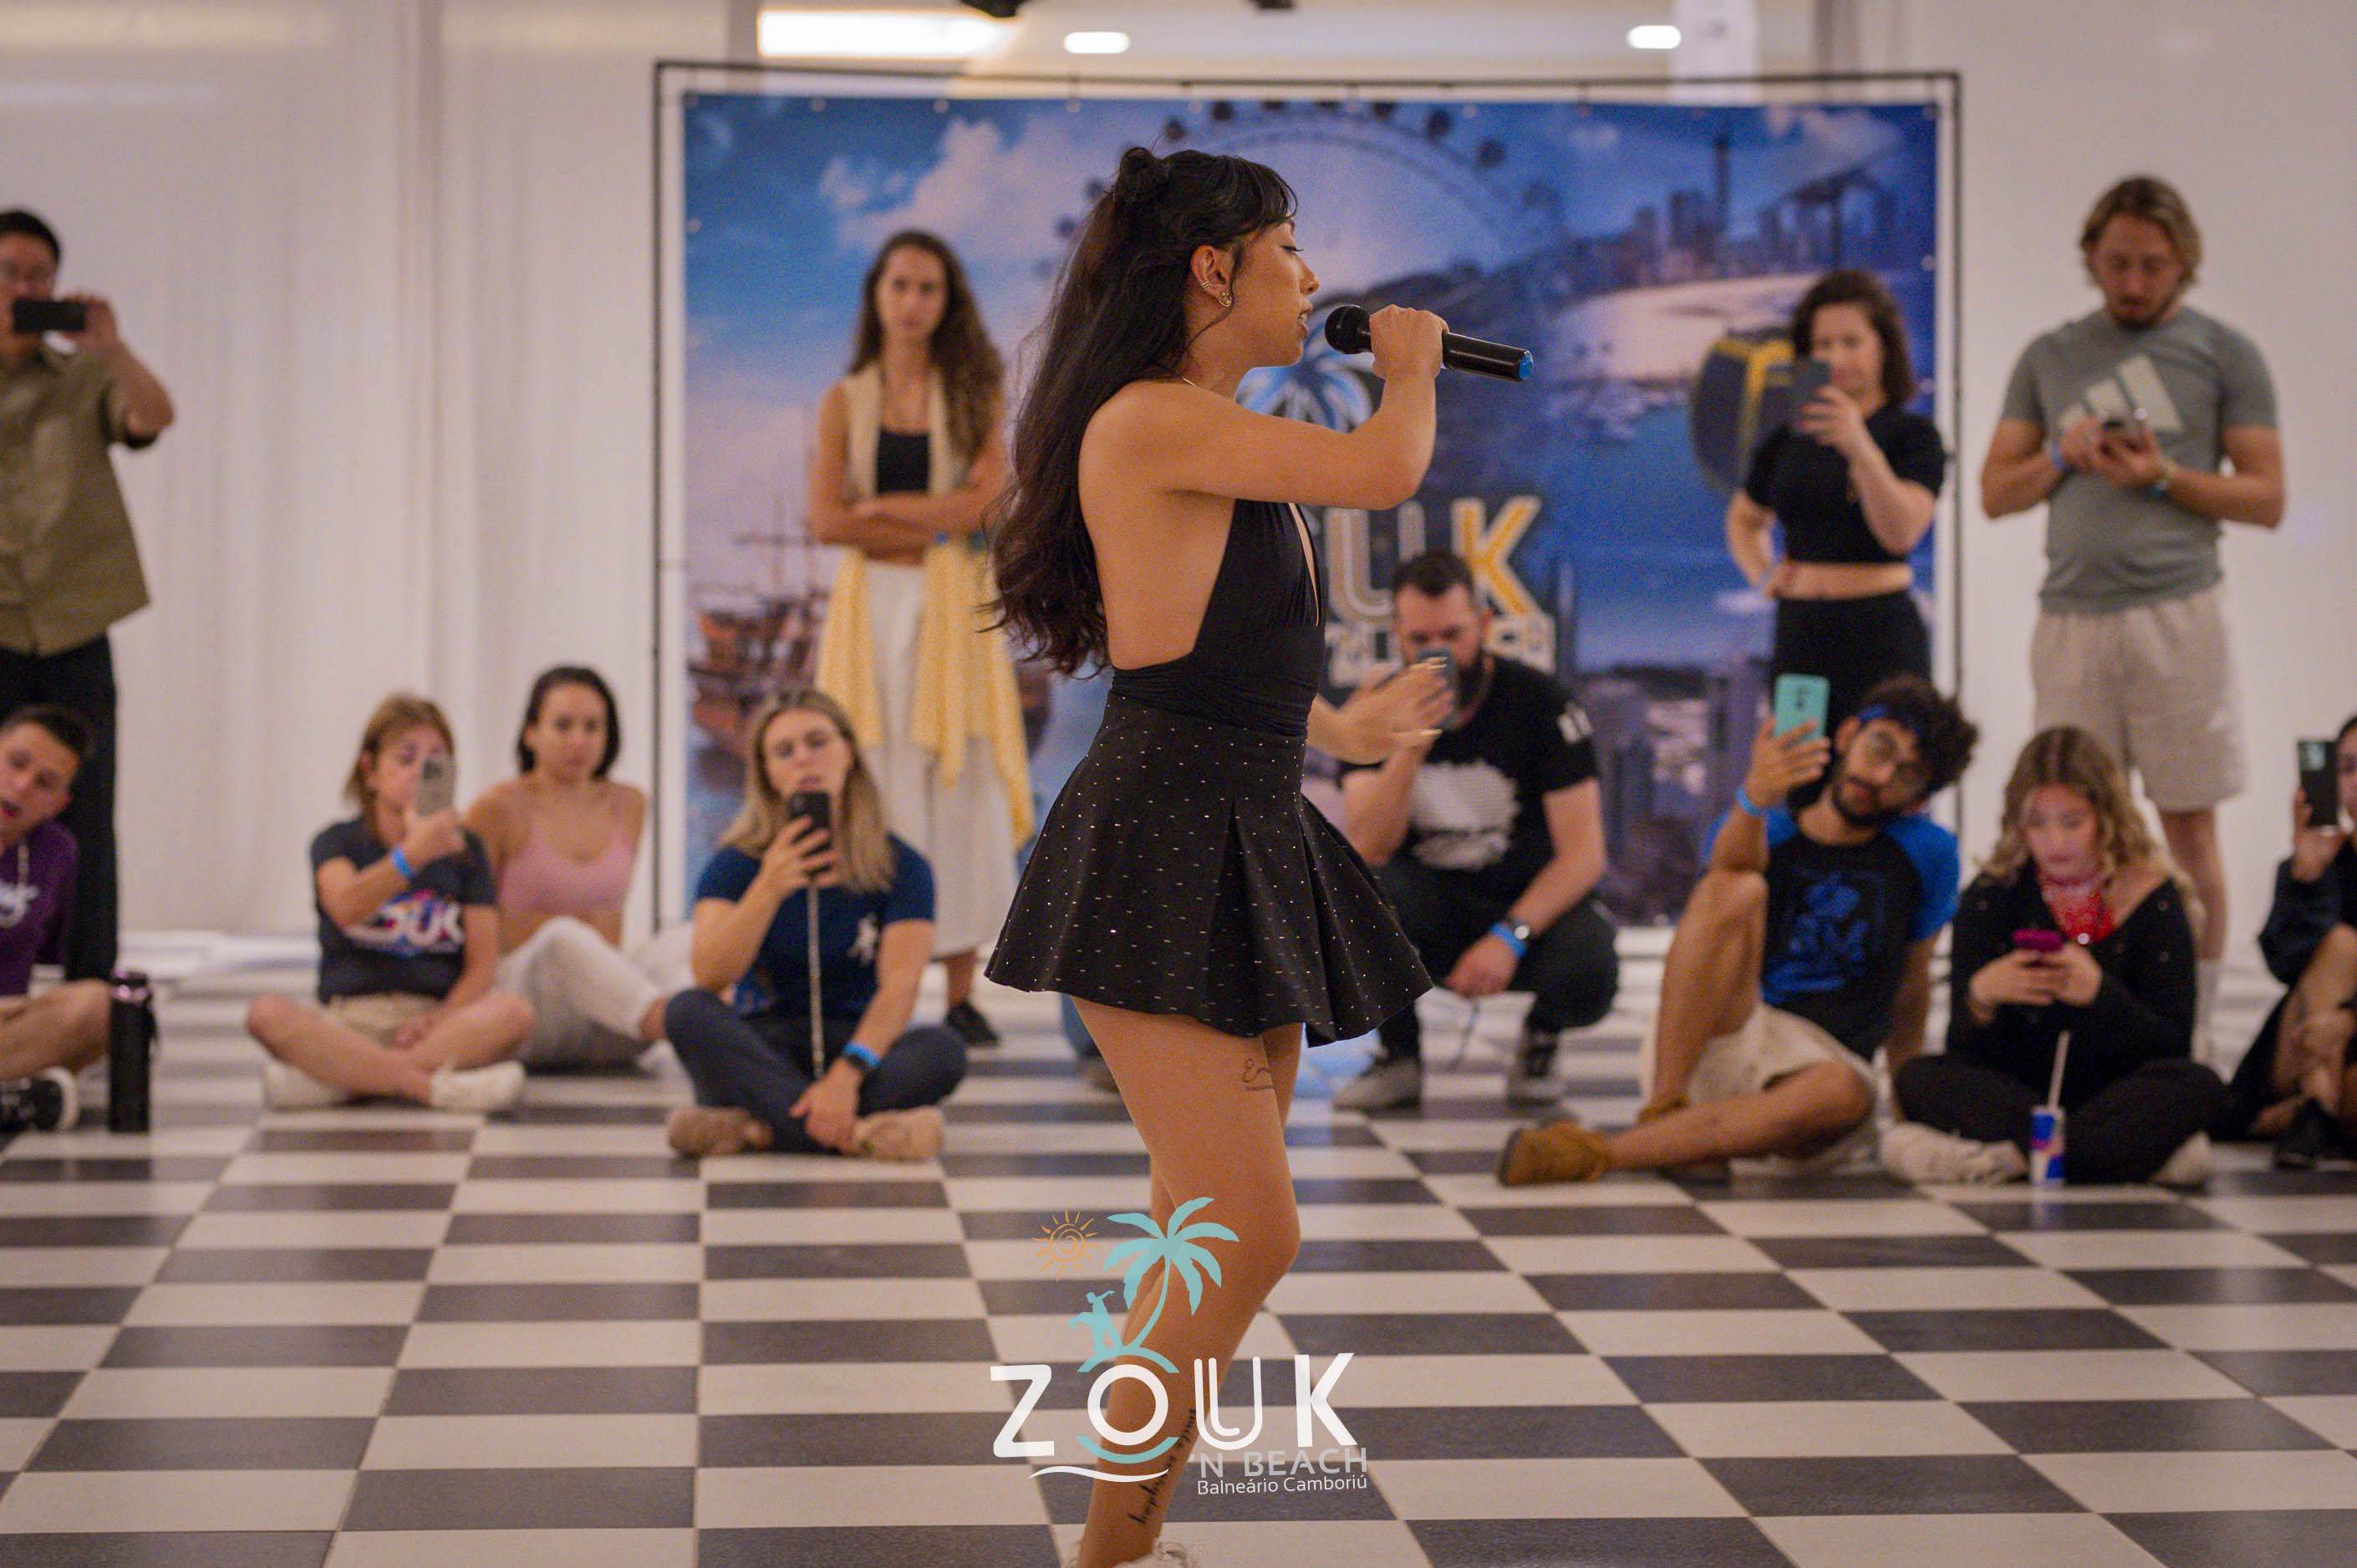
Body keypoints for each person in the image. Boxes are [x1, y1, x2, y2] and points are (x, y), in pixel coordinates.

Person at [986, 145, 1450, 1568]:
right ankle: (1111, 1554)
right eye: (1288, 248)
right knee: (1247, 1228)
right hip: (1163, 835)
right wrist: (1413, 369)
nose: (1310, 278)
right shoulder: (1150, 419)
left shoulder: (1210, 434)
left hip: (1237, 823)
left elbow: (1210, 664)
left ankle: (1121, 1547)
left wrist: (1337, 727)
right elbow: (1387, 463)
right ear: (1212, 269)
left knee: (1203, 1225)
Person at [1979, 176, 2287, 1058]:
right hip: (2072, 617)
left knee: (2188, 828)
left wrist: (2162, 476)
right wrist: (2061, 456)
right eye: (2117, 262)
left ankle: (2188, 1032)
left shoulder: (2225, 353)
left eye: (2153, 264)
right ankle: (2086, 1024)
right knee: (2070, 824)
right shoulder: (2049, 356)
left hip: (2179, 612)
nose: (2134, 281)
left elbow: (2267, 497)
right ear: (2090, 258)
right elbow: (1996, 492)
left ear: (2184, 263)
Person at [1499, 675, 1975, 1185]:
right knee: (1735, 887)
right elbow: (1720, 889)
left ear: (1918, 800)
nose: (1879, 776)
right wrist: (1755, 796)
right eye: (1879, 748)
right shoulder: (1772, 829)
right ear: (1847, 735)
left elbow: (1913, 985)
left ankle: (1604, 1151)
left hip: (1823, 1069)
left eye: (1907, 775)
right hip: (1736, 1031)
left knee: (1844, 1092)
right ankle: (1665, 1107)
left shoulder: (1928, 852)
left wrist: (1906, 1110)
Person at [807, 229, 1030, 1049]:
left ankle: (962, 995)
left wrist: (883, 512)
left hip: (953, 616)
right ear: (876, 294)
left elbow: (986, 507)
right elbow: (828, 520)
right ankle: (879, 988)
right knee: (878, 781)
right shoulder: (845, 400)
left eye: (927, 287)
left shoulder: (975, 392)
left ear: (948, 300)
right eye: (899, 285)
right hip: (868, 616)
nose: (911, 302)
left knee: (958, 781)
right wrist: (933, 522)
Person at [1331, 548, 1618, 1109]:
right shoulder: (1374, 708)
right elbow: (1368, 847)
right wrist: (1411, 745)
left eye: (1453, 634)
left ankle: (1542, 1036)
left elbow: (1584, 856)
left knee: (1590, 962)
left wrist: (1509, 938)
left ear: (1484, 625)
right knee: (1354, 897)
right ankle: (1399, 1054)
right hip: (1428, 904)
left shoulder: (1541, 703)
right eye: (1419, 638)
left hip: (1523, 903)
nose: (1437, 651)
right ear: (1397, 636)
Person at [1884, 726, 2222, 1185]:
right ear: (2018, 823)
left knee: (2198, 1085)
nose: (2055, 843)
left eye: (2072, 822)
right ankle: (2088, 1156)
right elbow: (1964, 1051)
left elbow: (2171, 1044)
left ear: (2106, 817)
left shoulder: (2153, 895)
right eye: (2037, 824)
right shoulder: (1991, 895)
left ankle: (2017, 1158)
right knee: (1916, 1078)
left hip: (2114, 1090)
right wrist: (1981, 998)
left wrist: (2100, 995)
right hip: (2019, 1092)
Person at [664, 688, 967, 1162]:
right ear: (767, 773)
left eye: (818, 741)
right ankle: (857, 1133)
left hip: (857, 1044)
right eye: (784, 751)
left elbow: (900, 988)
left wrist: (846, 1076)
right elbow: (710, 975)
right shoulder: (735, 864)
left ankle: (760, 1130)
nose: (803, 758)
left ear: (849, 753)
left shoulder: (903, 866)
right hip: (763, 1044)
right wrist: (768, 888)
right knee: (686, 1011)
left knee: (943, 1049)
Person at [0, 208, 176, 984]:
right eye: (9, 272)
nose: (25, 288)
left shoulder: (80, 376)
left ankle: (90, 996)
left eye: (40, 275)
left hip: (72, 624)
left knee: (86, 810)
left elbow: (154, 417)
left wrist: (112, 349)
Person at [245, 695, 532, 1112]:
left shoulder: (465, 849)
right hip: (351, 1019)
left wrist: (441, 1019)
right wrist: (413, 854)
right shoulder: (337, 841)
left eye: (435, 760)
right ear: (370, 769)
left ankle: (345, 1081)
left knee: (515, 1013)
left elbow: (483, 962)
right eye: (405, 758)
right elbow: (346, 907)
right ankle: (429, 1087)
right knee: (266, 1014)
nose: (421, 771)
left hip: (433, 1022)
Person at [1726, 268, 1944, 733]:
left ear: (1883, 347)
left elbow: (1902, 532)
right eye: (1822, 345)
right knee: (1797, 761)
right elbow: (1744, 519)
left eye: (1851, 342)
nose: (1836, 357)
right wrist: (1764, 574)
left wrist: (1859, 445)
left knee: (1885, 763)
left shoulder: (1913, 435)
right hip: (1801, 631)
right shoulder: (1787, 440)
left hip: (1881, 631)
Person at [463, 666, 669, 1070]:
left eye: (592, 727)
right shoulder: (496, 807)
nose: (579, 740)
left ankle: (714, 1029)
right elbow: (465, 920)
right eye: (563, 726)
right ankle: (684, 1026)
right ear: (531, 733)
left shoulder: (631, 804)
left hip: (608, 1014)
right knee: (563, 936)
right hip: (526, 1008)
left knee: (683, 942)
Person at [2218, 714, 2357, 1166]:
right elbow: (2284, 963)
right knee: (2341, 945)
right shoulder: (2318, 863)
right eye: (2347, 768)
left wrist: (2350, 1020)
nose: (2356, 782)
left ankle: (2311, 1113)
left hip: (2341, 1036)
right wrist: (2307, 877)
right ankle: (2317, 1099)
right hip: (2306, 1034)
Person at [0, 706, 112, 1133]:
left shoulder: (57, 852)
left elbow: (49, 968)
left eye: (44, 783)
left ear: (59, 802)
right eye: (16, 763)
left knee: (101, 1008)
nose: (22, 786)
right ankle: (17, 1096)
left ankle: (15, 1093)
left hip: (7, 1026)